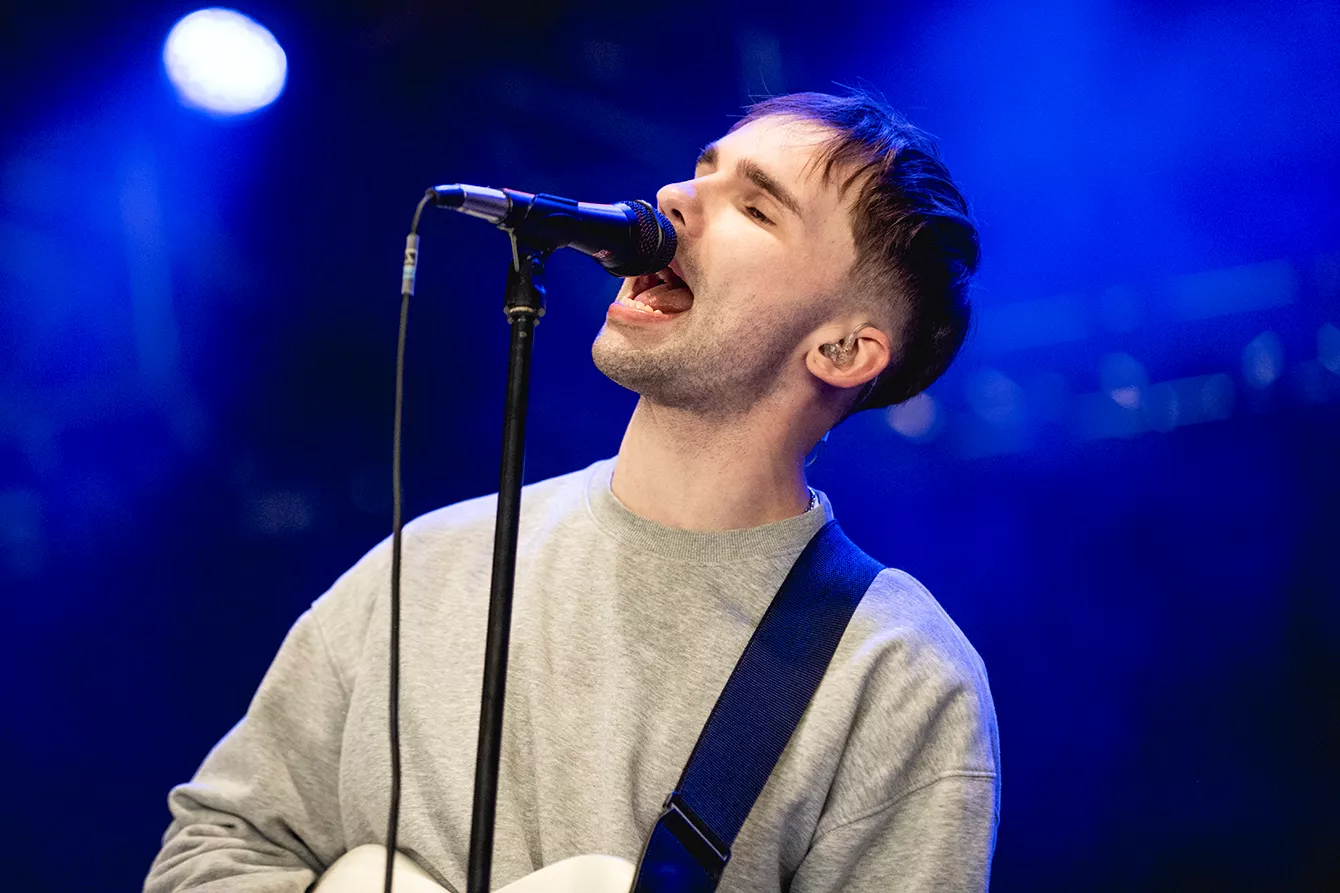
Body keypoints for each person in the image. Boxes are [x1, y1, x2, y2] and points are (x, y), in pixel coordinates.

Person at [146, 90, 999, 892]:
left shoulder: (894, 673)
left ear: (844, 350)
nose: (674, 198)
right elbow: (211, 850)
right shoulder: (427, 565)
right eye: (700, 172)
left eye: (756, 207)